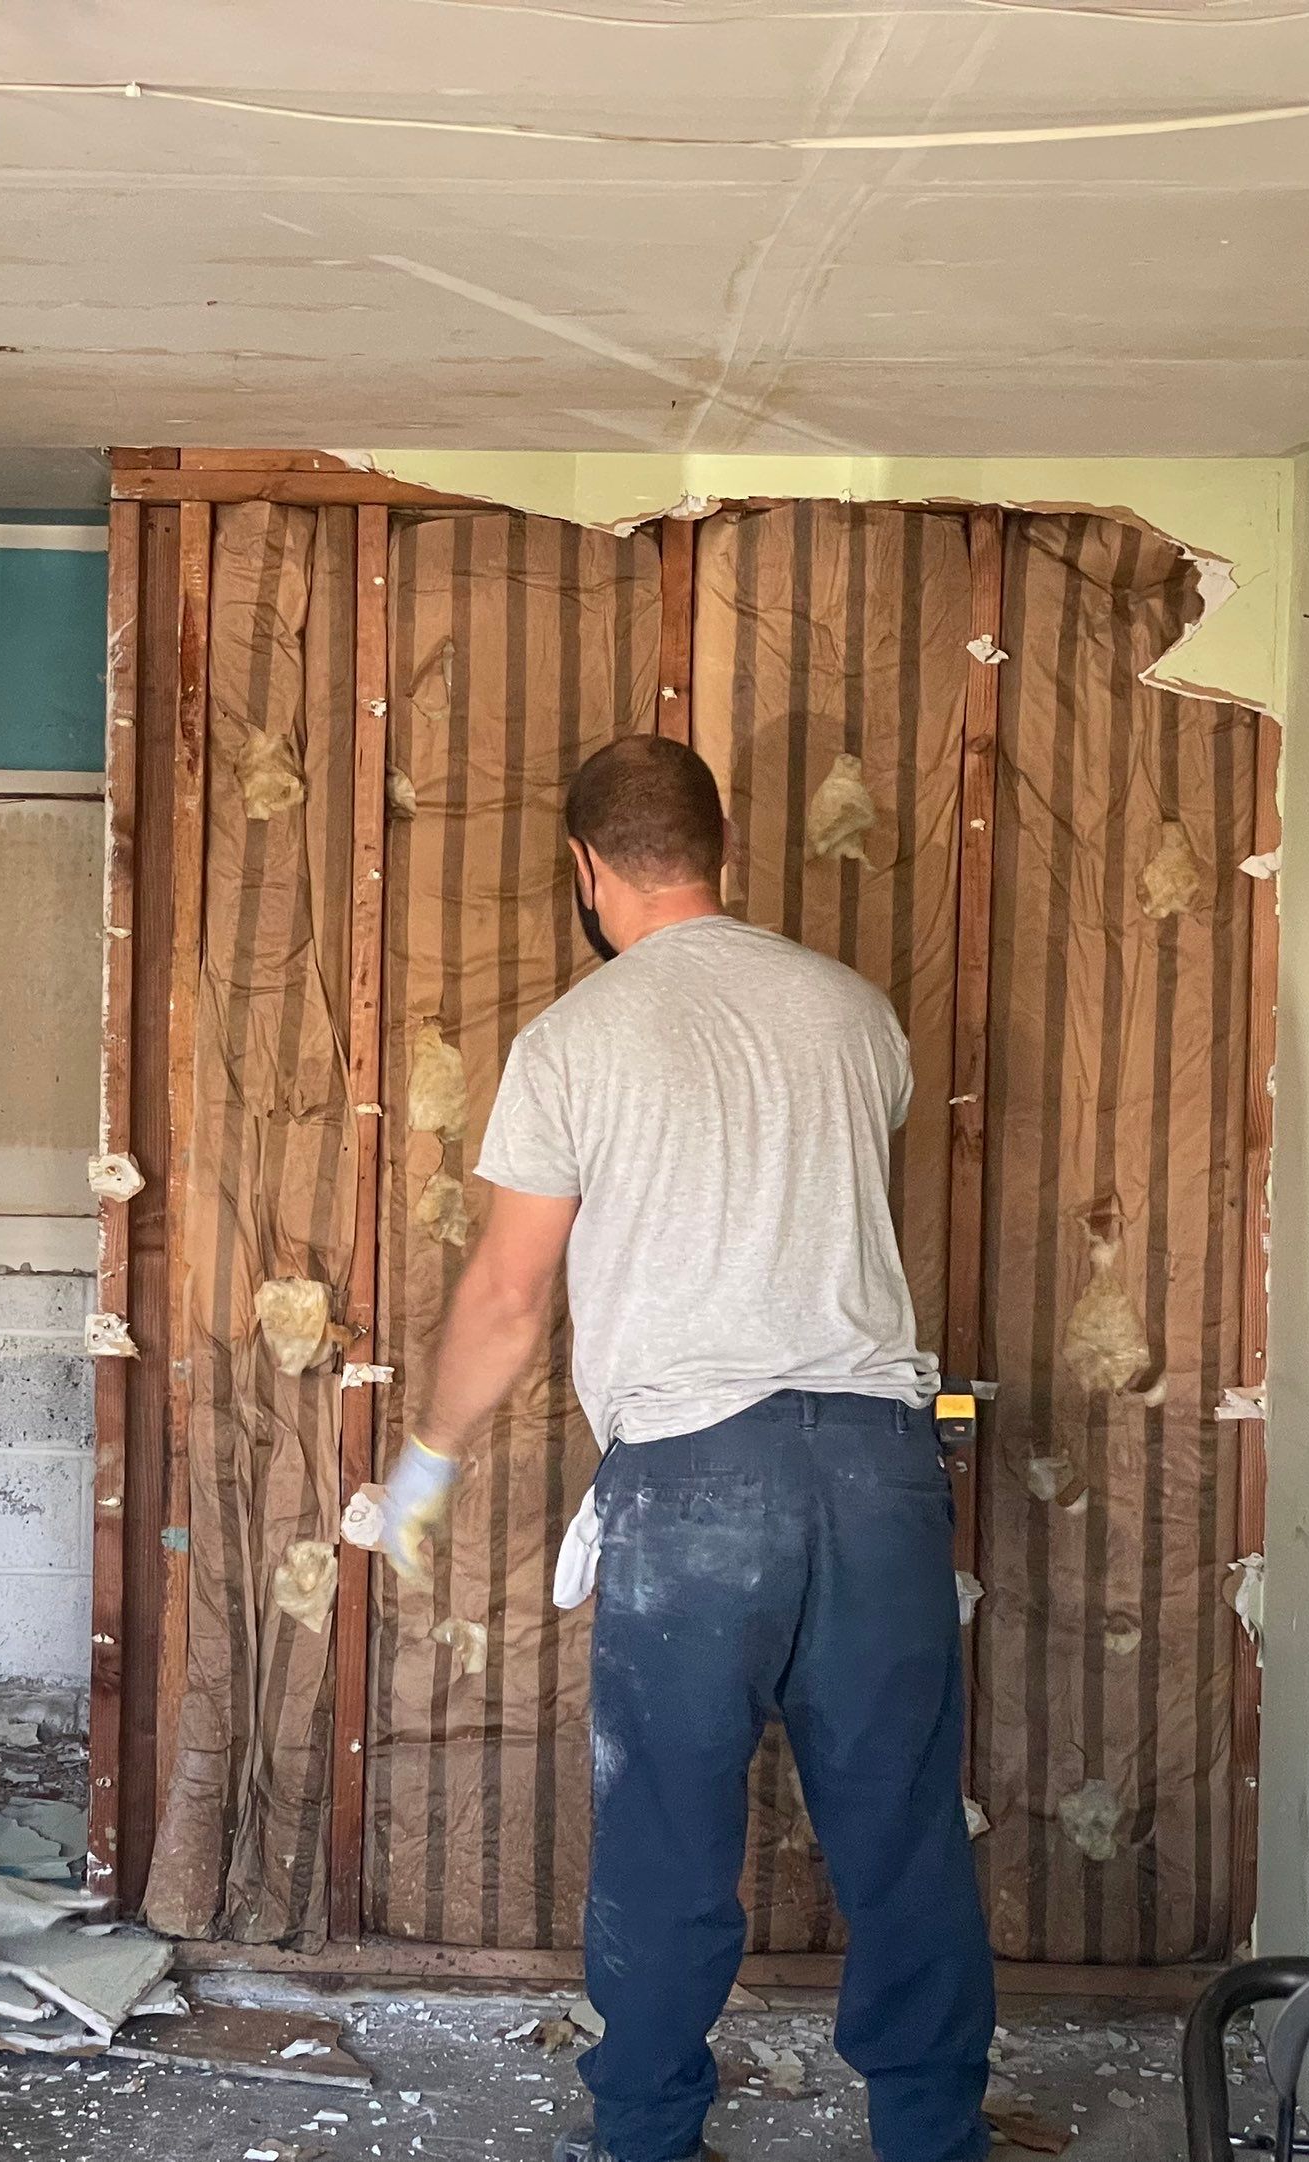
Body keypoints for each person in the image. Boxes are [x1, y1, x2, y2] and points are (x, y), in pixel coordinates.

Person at [353, 735, 994, 2162]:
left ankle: (643, 2137)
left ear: (583, 870)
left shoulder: (574, 1041)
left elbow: (511, 1292)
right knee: (901, 1836)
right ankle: (932, 2140)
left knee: (665, 1842)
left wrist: (424, 1469)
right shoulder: (853, 1012)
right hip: (882, 1472)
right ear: (722, 848)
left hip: (694, 1482)